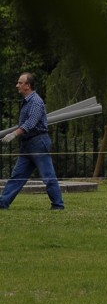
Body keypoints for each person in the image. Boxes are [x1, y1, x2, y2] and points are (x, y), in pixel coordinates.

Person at [0, 73, 65, 210]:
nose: (17, 85)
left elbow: (30, 123)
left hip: (38, 142)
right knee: (17, 176)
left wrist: (14, 134)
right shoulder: (27, 101)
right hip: (28, 144)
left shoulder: (35, 101)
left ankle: (58, 205)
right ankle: (2, 203)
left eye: (20, 83)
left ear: (28, 86)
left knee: (48, 176)